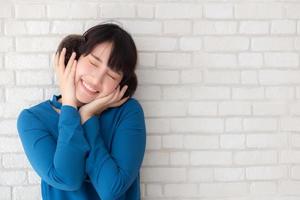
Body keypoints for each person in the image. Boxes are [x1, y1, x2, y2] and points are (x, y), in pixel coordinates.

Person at [16, 22, 146, 200]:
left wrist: (87, 117)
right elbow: (66, 179)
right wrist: (70, 105)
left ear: (121, 84)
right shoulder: (33, 119)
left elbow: (111, 190)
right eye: (93, 63)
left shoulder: (128, 112)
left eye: (111, 75)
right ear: (73, 57)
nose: (96, 80)